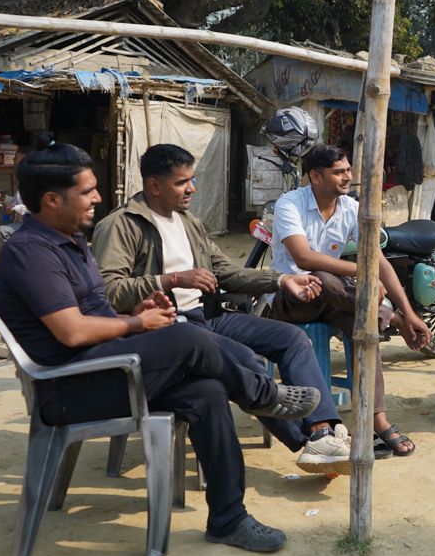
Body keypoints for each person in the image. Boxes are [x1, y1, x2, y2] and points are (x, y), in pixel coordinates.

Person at [0, 133, 320, 552]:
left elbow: (96, 312)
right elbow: (72, 332)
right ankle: (264, 395)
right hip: (73, 388)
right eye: (87, 192)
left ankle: (228, 519)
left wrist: (135, 315)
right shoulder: (32, 251)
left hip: (107, 369)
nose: (97, 197)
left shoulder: (71, 240)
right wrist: (137, 323)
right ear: (52, 200)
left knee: (207, 392)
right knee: (186, 335)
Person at [92, 143, 352, 475]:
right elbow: (109, 291)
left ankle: (322, 430)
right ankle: (309, 440)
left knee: (290, 338)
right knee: (243, 359)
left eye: (192, 179)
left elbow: (226, 272)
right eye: (182, 182)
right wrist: (171, 280)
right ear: (154, 185)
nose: (192, 188)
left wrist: (282, 279)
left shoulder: (189, 223)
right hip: (166, 328)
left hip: (207, 317)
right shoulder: (120, 225)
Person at [267, 143, 432, 457]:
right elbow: (303, 258)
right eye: (338, 172)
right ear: (315, 176)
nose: (347, 177)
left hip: (333, 300)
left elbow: (379, 261)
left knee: (364, 325)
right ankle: (387, 316)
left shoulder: (351, 208)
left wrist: (409, 312)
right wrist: (363, 272)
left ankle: (377, 421)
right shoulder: (290, 204)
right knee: (322, 275)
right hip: (294, 298)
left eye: (348, 170)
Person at [0, 146, 32, 245]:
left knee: (1, 230)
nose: (13, 159)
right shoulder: (25, 178)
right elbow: (21, 202)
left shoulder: (35, 179)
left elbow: (36, 207)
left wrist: (13, 209)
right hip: (20, 221)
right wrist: (5, 199)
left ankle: (14, 253)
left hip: (32, 223)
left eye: (16, 157)